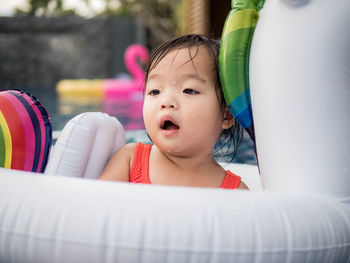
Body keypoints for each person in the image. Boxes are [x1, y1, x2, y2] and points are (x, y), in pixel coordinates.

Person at [99, 34, 248, 190]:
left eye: (189, 90)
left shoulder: (235, 192)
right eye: (155, 91)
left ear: (227, 115)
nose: (166, 102)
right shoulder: (129, 161)